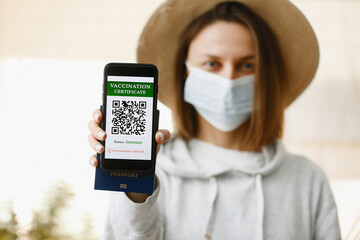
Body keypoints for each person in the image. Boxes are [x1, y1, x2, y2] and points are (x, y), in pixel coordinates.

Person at [88, 0, 341, 239]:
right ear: (185, 71)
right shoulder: (153, 170)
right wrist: (136, 187)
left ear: (266, 76)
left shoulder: (307, 179)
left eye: (247, 65)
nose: (229, 79)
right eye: (211, 63)